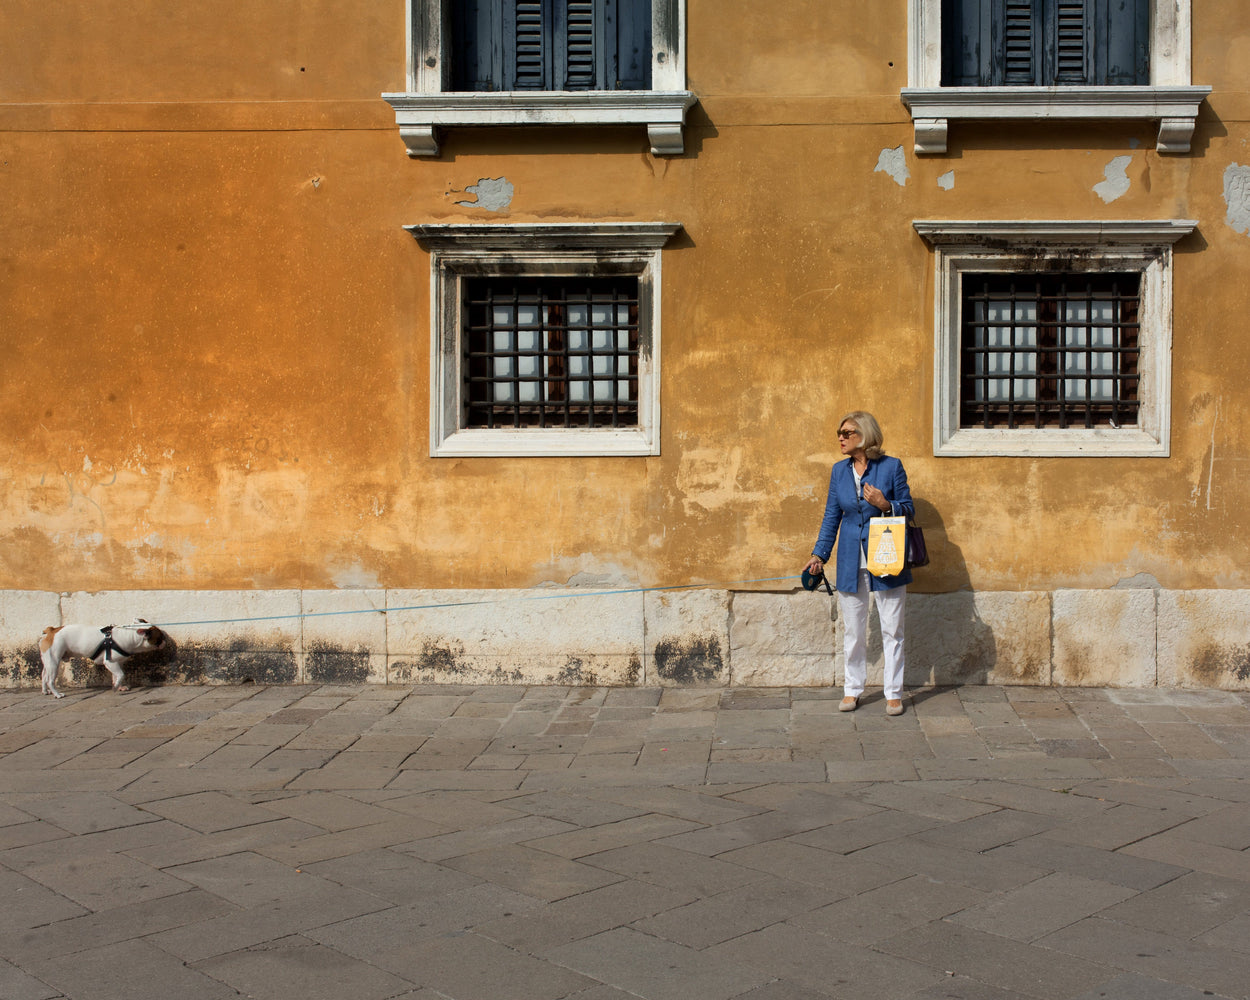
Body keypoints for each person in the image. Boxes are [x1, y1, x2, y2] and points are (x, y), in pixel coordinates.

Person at [804, 411, 913, 716]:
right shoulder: (839, 472)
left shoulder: (891, 467)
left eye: (846, 432)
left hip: (887, 555)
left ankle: (893, 694)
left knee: (893, 629)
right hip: (851, 558)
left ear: (864, 435)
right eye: (839, 432)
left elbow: (909, 508)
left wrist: (885, 504)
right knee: (853, 630)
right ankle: (852, 690)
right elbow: (831, 516)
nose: (840, 437)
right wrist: (819, 555)